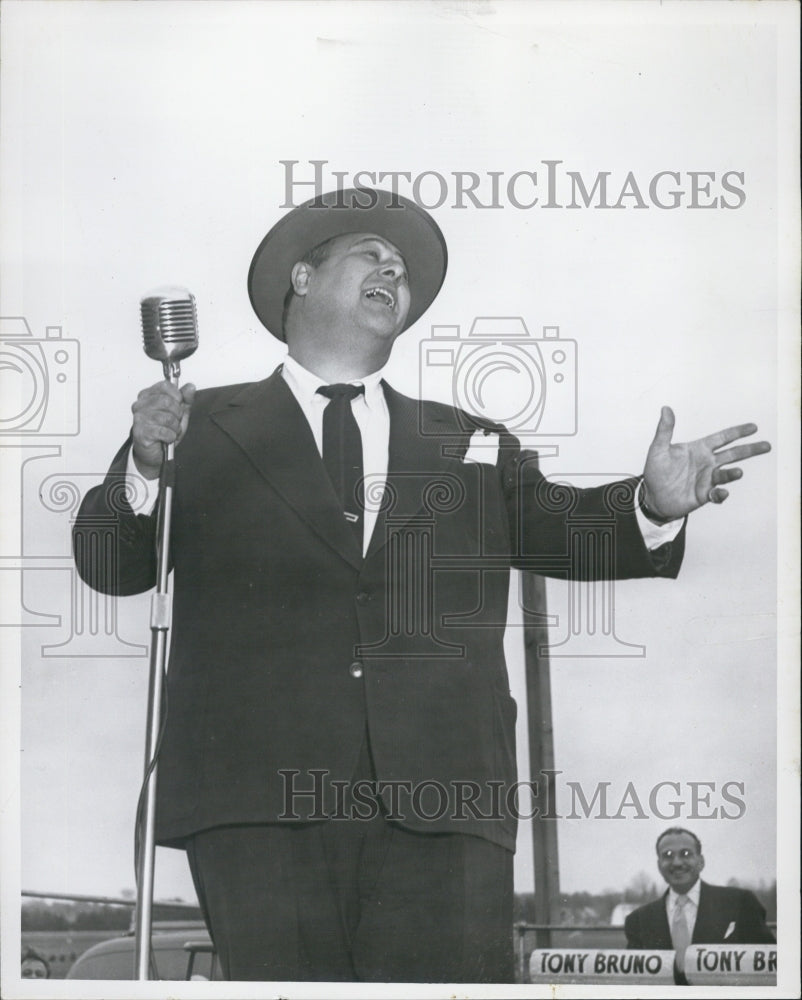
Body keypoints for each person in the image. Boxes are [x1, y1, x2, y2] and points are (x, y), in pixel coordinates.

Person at [73, 188, 770, 983]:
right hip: (260, 806)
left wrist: (651, 505)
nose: (393, 268)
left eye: (400, 266)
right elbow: (110, 563)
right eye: (370, 252)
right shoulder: (199, 425)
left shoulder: (469, 440)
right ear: (301, 278)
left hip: (446, 806)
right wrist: (144, 463)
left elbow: (564, 528)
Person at [625, 827, 776, 983]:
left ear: (701, 862)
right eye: (668, 855)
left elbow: (770, 968)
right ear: (659, 865)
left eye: (685, 854)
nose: (676, 862)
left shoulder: (741, 903)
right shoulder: (638, 921)